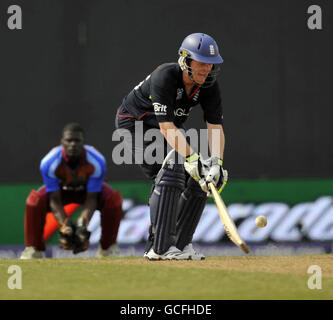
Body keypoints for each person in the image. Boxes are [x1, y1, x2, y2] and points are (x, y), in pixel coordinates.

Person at [115, 33, 228, 260]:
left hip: (168, 126)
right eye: (202, 62)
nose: (207, 69)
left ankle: (181, 244)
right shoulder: (165, 76)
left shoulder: (209, 86)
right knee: (174, 165)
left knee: (200, 176)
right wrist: (192, 158)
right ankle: (159, 247)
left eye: (211, 64)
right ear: (186, 60)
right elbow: (165, 127)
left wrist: (215, 163)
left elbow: (215, 127)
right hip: (135, 124)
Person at [20, 123, 123, 259]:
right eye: (69, 140)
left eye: (77, 141)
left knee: (113, 200)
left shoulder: (97, 160)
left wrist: (83, 223)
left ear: (83, 143)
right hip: (61, 192)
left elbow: (92, 198)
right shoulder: (49, 162)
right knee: (34, 201)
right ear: (62, 142)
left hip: (87, 192)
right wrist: (65, 226)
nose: (73, 144)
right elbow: (54, 198)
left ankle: (108, 248)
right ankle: (33, 249)